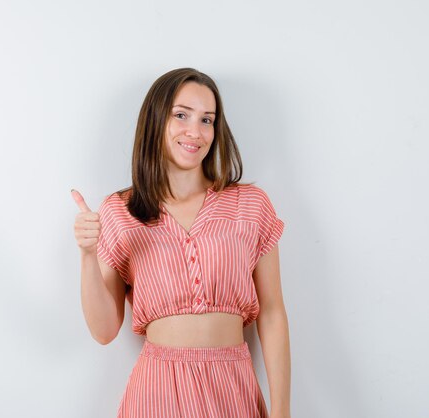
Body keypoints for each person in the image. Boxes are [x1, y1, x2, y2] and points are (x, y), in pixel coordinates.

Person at [71, 68, 291, 418]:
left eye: (207, 120)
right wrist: (86, 255)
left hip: (231, 388)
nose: (196, 131)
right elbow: (103, 331)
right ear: (156, 121)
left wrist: (282, 413)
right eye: (181, 115)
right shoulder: (121, 211)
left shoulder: (250, 205)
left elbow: (274, 313)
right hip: (157, 390)